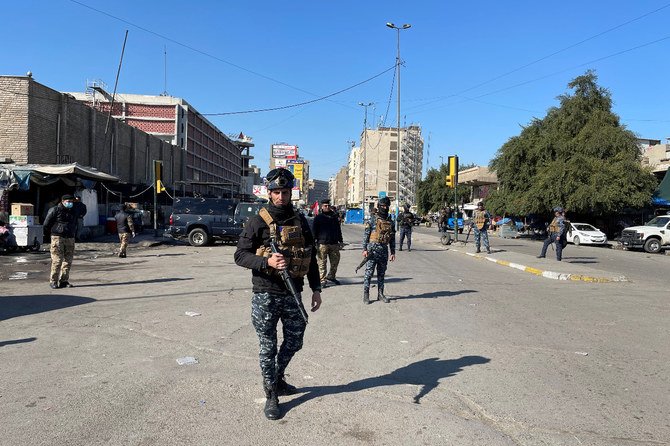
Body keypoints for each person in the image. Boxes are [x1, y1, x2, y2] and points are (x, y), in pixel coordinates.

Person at [234, 168, 322, 420]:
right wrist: (266, 263)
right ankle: (271, 393)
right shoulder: (257, 221)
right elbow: (240, 255)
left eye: (285, 192)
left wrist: (316, 289)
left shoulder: (300, 219)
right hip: (266, 294)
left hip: (294, 292)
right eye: (276, 192)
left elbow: (310, 257)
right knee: (268, 346)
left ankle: (278, 376)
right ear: (269, 193)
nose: (281, 197)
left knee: (295, 340)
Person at [362, 196, 396, 304]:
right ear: (379, 206)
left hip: (383, 251)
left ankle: (380, 294)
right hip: (372, 251)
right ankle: (366, 295)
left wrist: (393, 252)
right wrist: (364, 249)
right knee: (369, 273)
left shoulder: (390, 221)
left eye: (386, 206)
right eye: (382, 206)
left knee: (381, 274)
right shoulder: (372, 219)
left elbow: (392, 238)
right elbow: (366, 235)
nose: (384, 208)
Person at [43, 194, 78, 289]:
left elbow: (75, 223)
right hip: (58, 237)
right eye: (69, 201)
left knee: (68, 260)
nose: (70, 203)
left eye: (72, 202)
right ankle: (53, 281)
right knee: (57, 260)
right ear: (63, 201)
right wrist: (52, 234)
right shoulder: (55, 210)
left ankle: (64, 281)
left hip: (70, 238)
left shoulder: (73, 211)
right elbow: (46, 224)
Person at [312, 199, 344, 286]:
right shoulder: (318, 217)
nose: (327, 207)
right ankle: (322, 279)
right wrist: (313, 242)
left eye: (328, 205)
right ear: (322, 207)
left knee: (335, 262)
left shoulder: (334, 217)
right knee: (322, 262)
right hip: (322, 244)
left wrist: (340, 241)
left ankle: (331, 276)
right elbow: (314, 231)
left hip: (334, 243)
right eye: (325, 206)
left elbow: (338, 230)